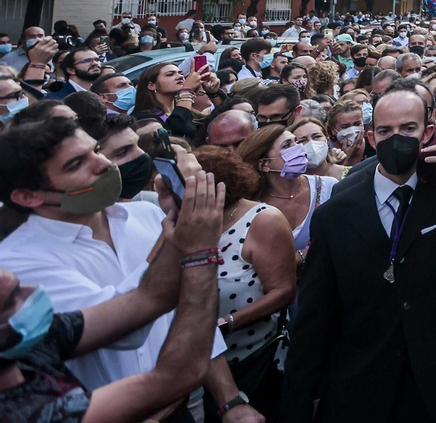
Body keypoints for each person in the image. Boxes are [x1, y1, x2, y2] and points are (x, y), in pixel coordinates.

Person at [0, 116, 256, 421]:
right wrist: (187, 239)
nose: (103, 164)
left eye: (96, 150)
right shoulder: (17, 265)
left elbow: (188, 308)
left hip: (187, 408)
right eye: (76, 164)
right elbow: (129, 329)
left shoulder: (147, 214)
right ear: (29, 196)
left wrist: (230, 399)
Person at [282, 86, 436, 423]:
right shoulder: (338, 209)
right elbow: (317, 313)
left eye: (408, 129)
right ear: (371, 137)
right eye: (385, 131)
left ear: (428, 132)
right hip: (364, 389)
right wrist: (299, 401)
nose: (395, 139)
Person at [191, 145, 297, 415]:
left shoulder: (262, 220)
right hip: (196, 370)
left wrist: (227, 323)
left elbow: (284, 291)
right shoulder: (186, 221)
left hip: (252, 362)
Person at [237, 123, 339, 263]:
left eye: (296, 141)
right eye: (287, 146)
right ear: (264, 165)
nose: (298, 148)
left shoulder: (328, 187)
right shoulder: (250, 206)